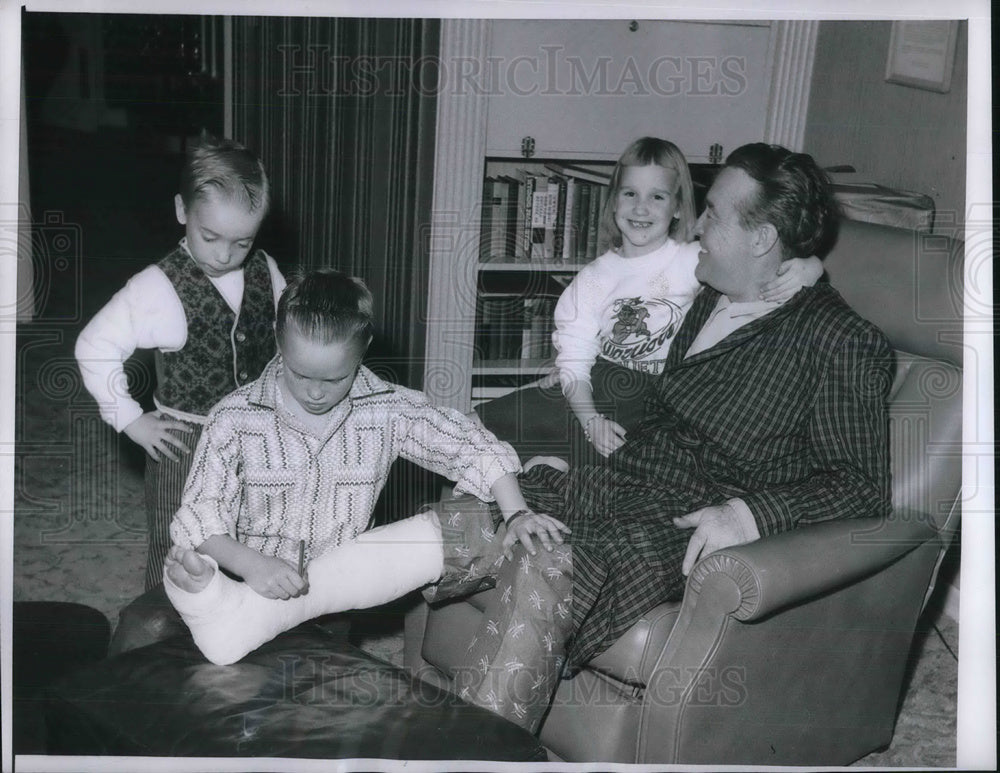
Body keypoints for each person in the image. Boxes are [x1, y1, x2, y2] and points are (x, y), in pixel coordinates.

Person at [166, 144, 893, 736]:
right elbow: (630, 343)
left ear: (763, 239)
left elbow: (862, 484)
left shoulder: (841, 342)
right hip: (616, 479)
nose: (695, 226)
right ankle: (254, 613)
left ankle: (474, 756)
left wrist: (750, 514)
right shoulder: (706, 292)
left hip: (677, 524)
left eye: (713, 216)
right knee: (471, 517)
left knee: (541, 563)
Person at [164, 269, 571, 732]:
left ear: (362, 354)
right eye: (301, 374)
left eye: (335, 378)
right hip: (244, 578)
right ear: (279, 344)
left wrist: (516, 510)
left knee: (312, 719)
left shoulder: (386, 408)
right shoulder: (233, 418)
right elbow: (198, 514)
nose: (316, 392)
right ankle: (209, 601)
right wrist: (251, 563)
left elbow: (470, 445)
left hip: (332, 597)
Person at [476, 137, 824, 464]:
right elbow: (574, 362)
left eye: (657, 197)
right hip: (603, 392)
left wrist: (811, 266)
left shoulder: (693, 260)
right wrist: (590, 419)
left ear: (677, 208)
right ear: (613, 201)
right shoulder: (593, 280)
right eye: (630, 193)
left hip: (666, 399)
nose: (640, 208)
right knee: (486, 426)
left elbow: (756, 267)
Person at [75, 135, 286, 590]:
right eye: (210, 237)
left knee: (251, 537)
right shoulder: (157, 288)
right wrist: (129, 419)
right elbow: (94, 345)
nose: (224, 255)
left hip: (256, 437)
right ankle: (162, 633)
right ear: (181, 211)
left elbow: (287, 340)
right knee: (178, 546)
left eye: (242, 241)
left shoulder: (266, 269)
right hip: (184, 446)